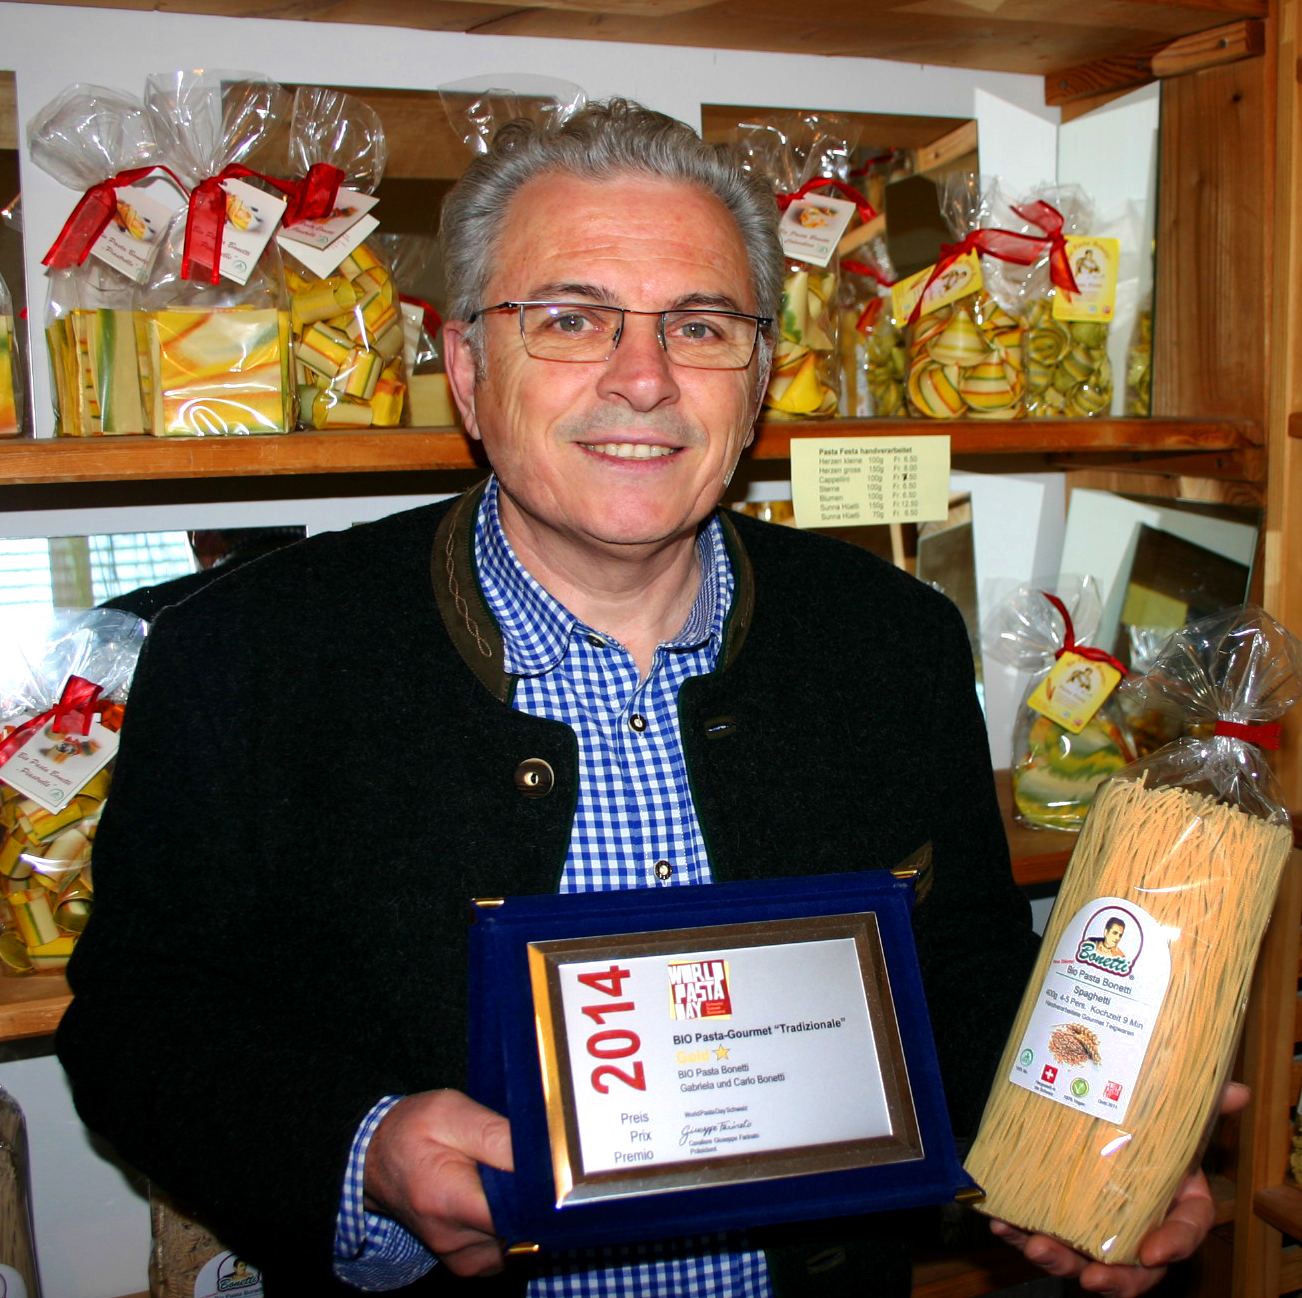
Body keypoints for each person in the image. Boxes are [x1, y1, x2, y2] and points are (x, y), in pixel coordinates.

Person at [57, 99, 1224, 1298]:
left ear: (761, 373)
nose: (645, 378)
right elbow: (140, 1019)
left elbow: (962, 966)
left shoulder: (896, 640)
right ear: (466, 366)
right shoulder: (247, 653)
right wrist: (366, 1153)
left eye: (702, 325)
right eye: (571, 318)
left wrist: (1079, 1140)